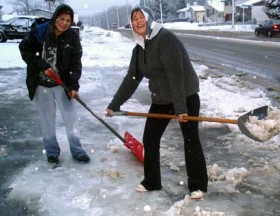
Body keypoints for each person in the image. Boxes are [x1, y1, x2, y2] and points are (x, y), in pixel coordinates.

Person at [105, 6, 208, 199]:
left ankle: (198, 185)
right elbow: (131, 79)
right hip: (161, 98)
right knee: (150, 138)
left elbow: (176, 75)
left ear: (149, 18)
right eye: (134, 18)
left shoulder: (165, 39)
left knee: (190, 140)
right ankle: (152, 181)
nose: (138, 21)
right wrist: (114, 104)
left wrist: (181, 108)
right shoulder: (138, 49)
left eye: (141, 16)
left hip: (184, 95)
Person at [19, 4, 90, 164]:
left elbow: (75, 63)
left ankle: (77, 150)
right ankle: (51, 151)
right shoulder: (40, 31)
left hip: (61, 84)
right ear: (55, 17)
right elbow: (24, 48)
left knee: (71, 119)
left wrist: (73, 86)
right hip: (41, 85)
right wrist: (41, 65)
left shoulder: (72, 37)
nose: (64, 23)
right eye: (61, 18)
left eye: (68, 20)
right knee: (47, 120)